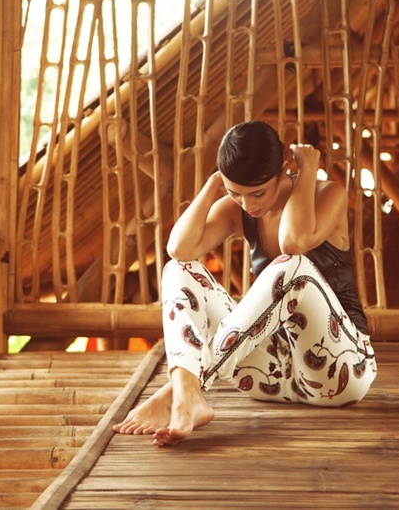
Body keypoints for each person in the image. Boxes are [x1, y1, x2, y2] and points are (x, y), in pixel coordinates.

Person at [113, 120, 377, 446]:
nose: (248, 205)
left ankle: (180, 392)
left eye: (257, 193)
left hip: (342, 372)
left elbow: (293, 243)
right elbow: (178, 249)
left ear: (282, 171)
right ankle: (187, 389)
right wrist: (214, 186)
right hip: (270, 379)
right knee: (178, 269)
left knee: (292, 266)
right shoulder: (238, 208)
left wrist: (309, 170)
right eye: (234, 193)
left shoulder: (329, 194)